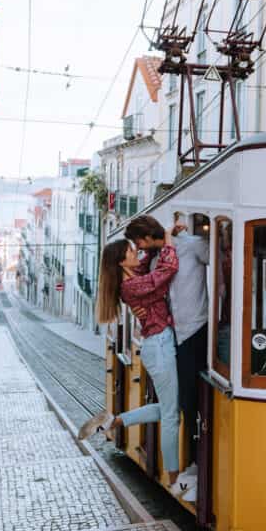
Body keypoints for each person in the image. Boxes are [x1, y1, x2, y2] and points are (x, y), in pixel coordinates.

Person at [78, 228, 181, 488]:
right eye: (132, 250)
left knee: (171, 409)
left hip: (161, 345)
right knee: (171, 417)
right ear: (122, 262)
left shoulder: (133, 275)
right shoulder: (132, 285)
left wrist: (155, 243)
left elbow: (147, 262)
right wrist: (167, 242)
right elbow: (167, 271)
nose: (137, 251)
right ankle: (174, 478)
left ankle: (114, 421)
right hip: (159, 346)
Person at [126, 213, 209, 503]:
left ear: (147, 238)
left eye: (138, 243)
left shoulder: (191, 245)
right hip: (171, 337)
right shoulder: (156, 257)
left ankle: (191, 466)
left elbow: (223, 260)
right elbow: (154, 278)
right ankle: (184, 472)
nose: (138, 249)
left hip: (194, 331)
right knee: (179, 405)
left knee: (185, 404)